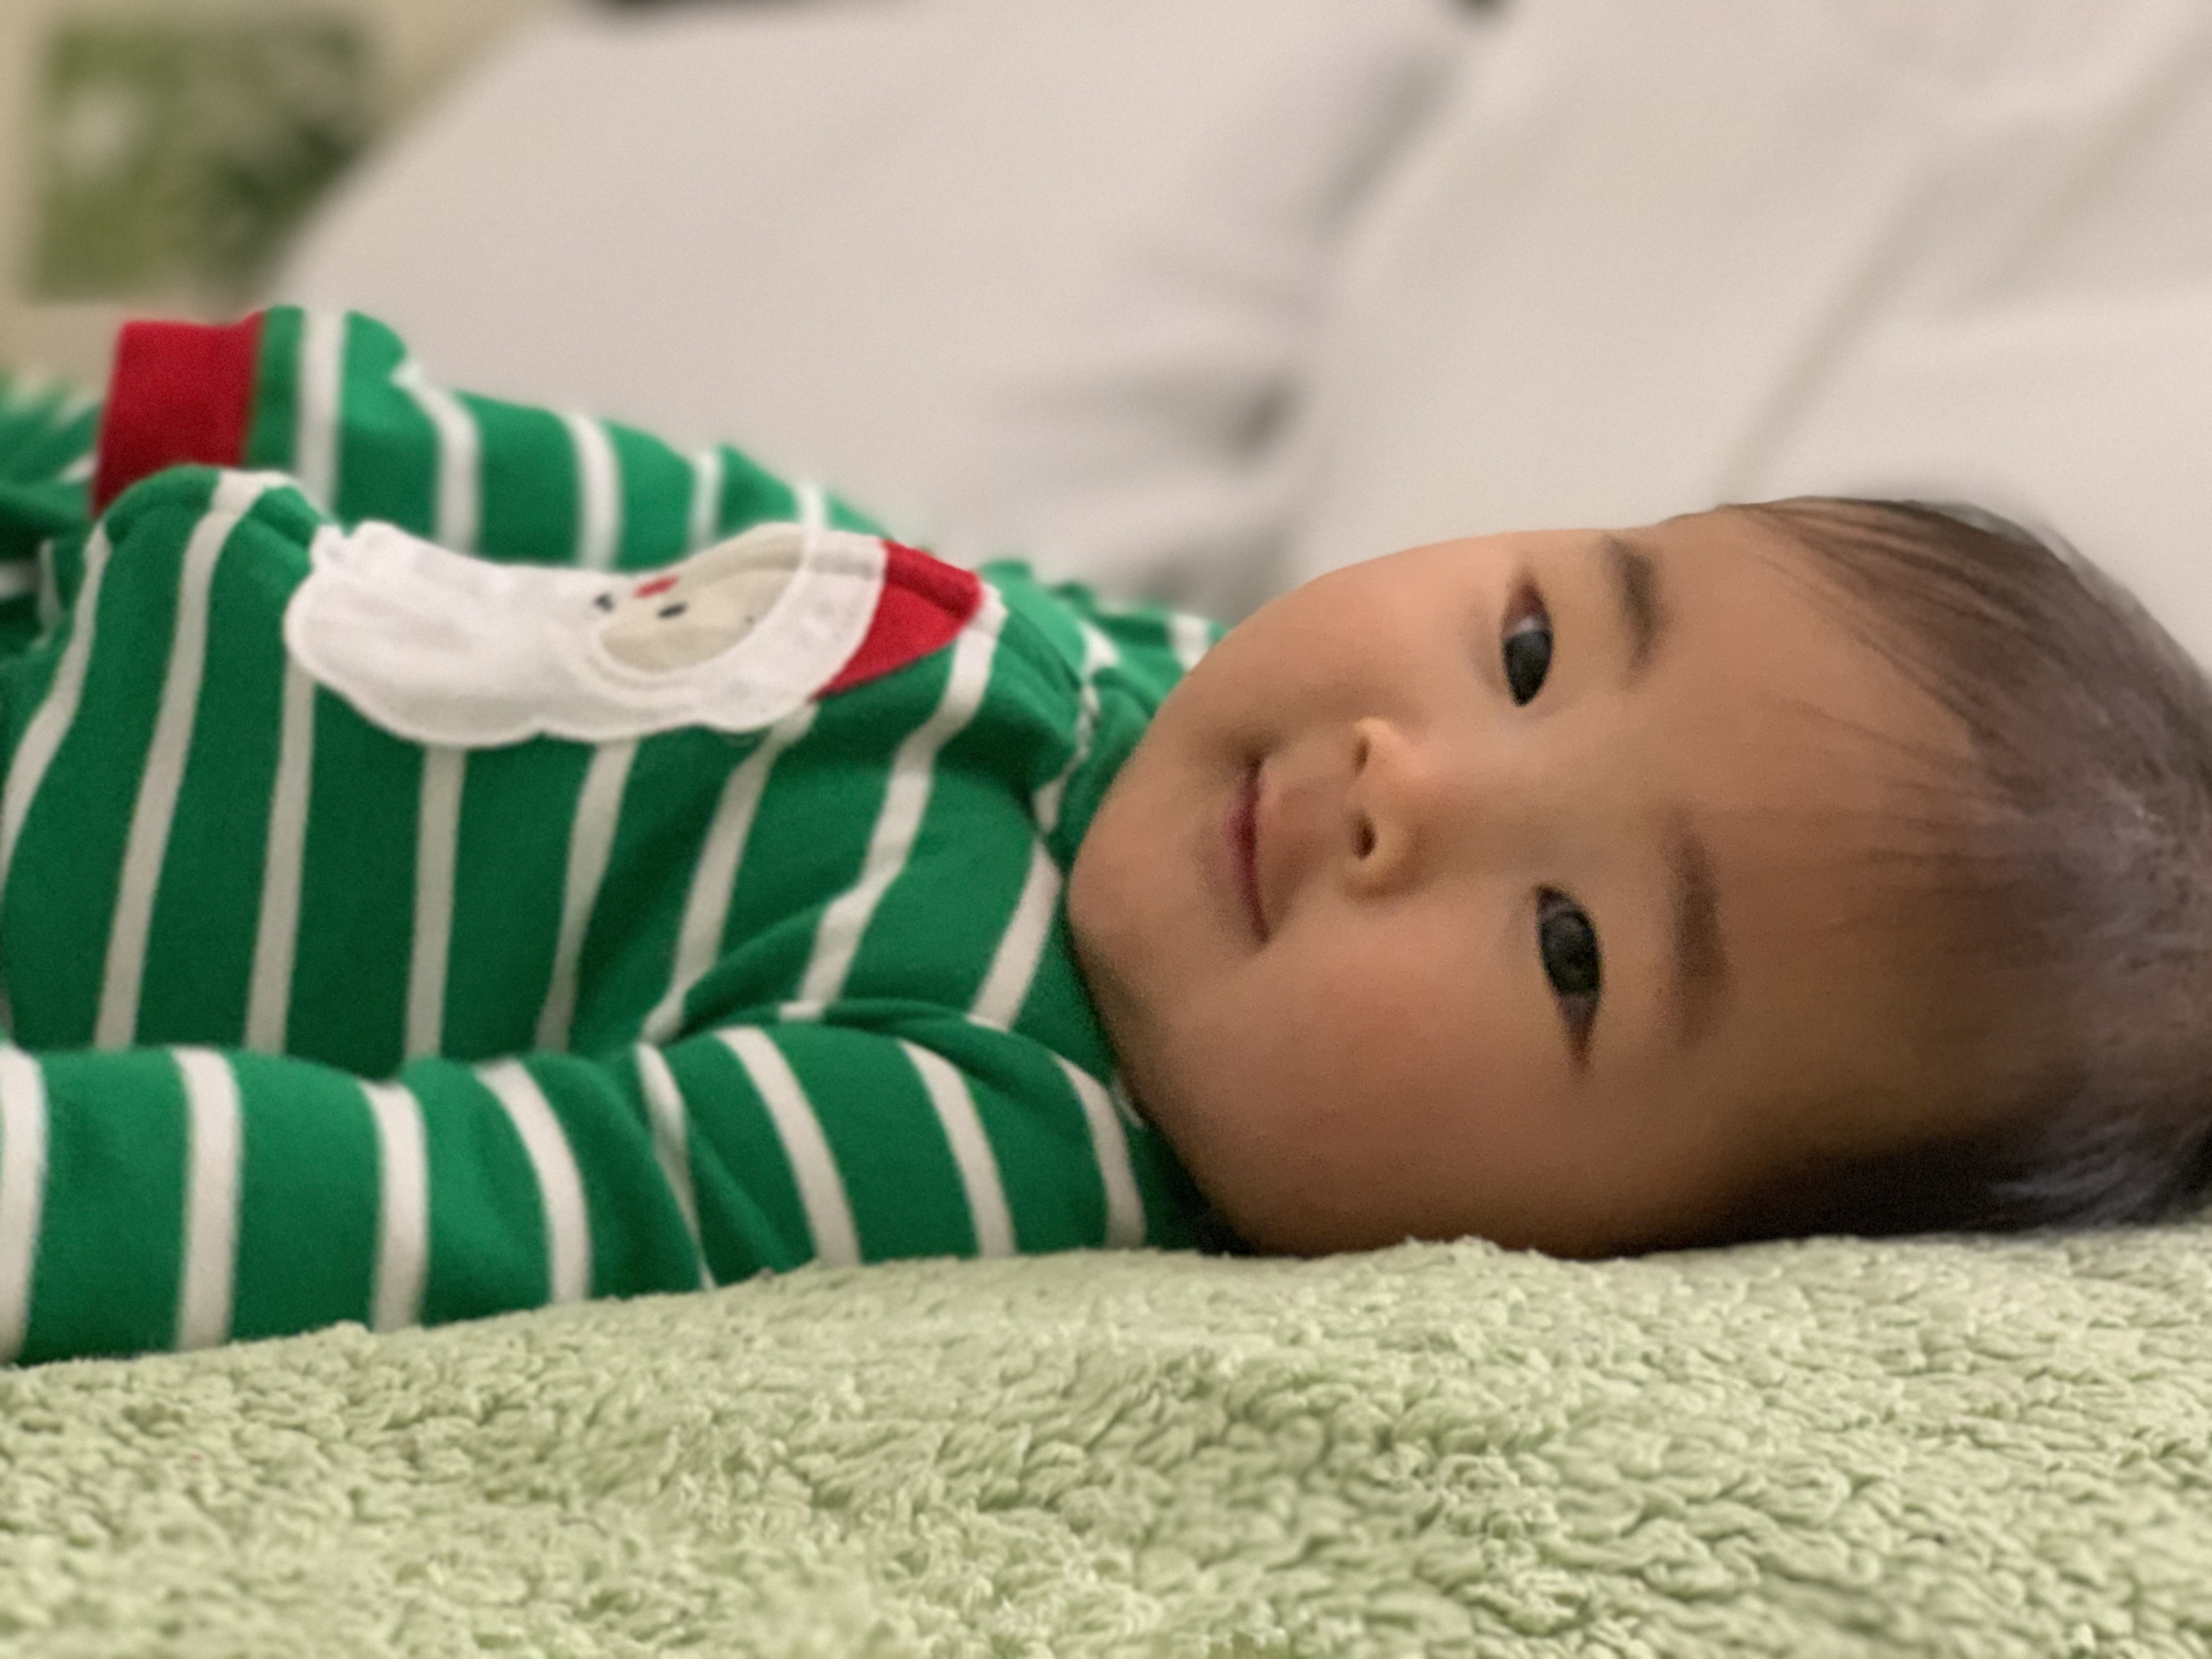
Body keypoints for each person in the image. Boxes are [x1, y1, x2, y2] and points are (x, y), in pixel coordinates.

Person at [0, 309, 2206, 1365]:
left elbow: (474, 1201)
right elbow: (742, 550)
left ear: (1596, 1261)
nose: (1407, 784)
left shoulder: (984, 1127)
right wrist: (252, 423)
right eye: (1532, 647)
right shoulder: (1159, 694)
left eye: (1572, 952)